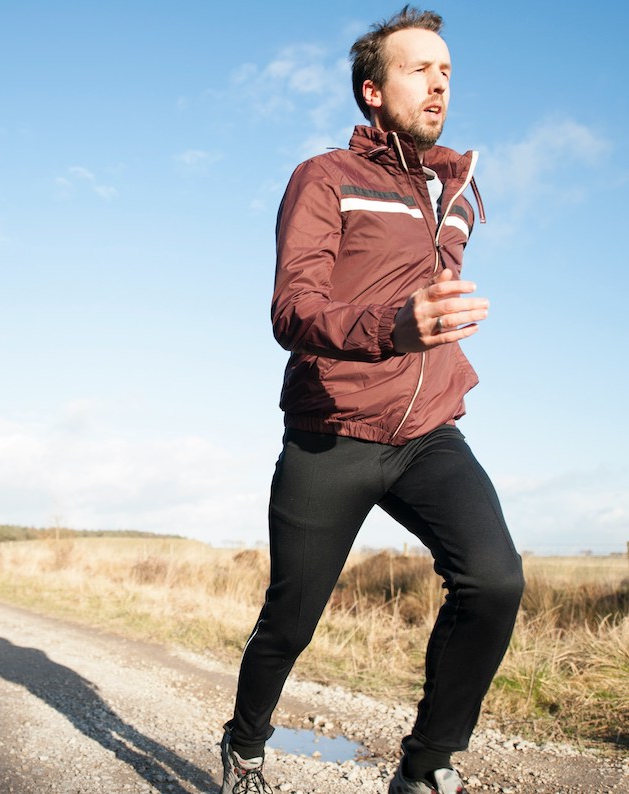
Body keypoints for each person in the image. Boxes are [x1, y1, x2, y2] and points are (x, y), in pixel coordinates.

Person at [219, 7, 524, 794]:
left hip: (428, 431)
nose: (439, 83)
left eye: (447, 71)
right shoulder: (325, 178)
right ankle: (246, 742)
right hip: (333, 430)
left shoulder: (456, 189)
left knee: (494, 582)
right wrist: (395, 325)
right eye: (419, 69)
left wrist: (429, 331)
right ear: (371, 90)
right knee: (291, 621)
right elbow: (294, 310)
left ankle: (424, 768)